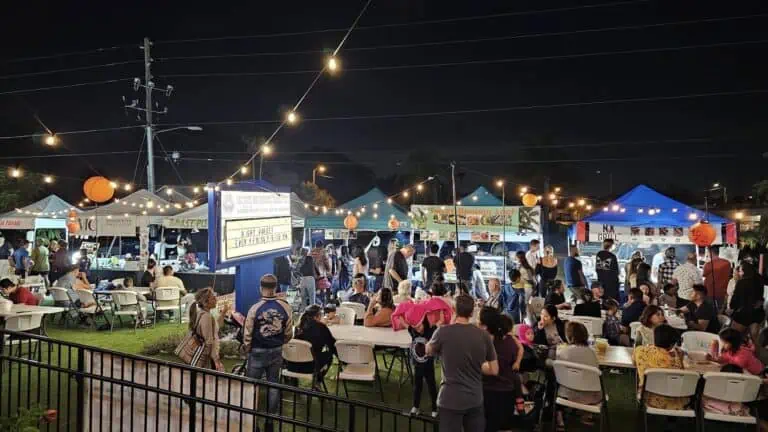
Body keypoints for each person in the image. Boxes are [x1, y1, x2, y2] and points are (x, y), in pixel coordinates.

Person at [427, 295, 498, 432]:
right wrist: (476, 365)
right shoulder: (483, 336)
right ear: (472, 312)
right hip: (474, 398)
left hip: (450, 398)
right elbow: (494, 370)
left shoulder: (442, 332)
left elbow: (428, 350)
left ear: (454, 310)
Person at [244, 274, 293, 432]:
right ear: (276, 287)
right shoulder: (285, 306)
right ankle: (270, 421)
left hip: (257, 351)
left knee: (251, 386)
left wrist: (247, 348)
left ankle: (252, 421)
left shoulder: (255, 308)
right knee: (273, 385)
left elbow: (247, 334)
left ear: (261, 288)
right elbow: (288, 332)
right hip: (276, 350)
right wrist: (280, 342)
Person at [481, 309, 525, 431]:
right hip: (507, 391)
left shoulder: (488, 342)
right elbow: (520, 350)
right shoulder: (512, 343)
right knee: (505, 425)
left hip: (489, 391)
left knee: (489, 425)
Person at [556, 321, 601, 429]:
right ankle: (587, 414)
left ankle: (559, 418)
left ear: (569, 336)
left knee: (555, 381)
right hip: (592, 397)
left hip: (566, 394)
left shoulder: (563, 352)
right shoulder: (592, 353)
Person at [634, 324, 688, 410]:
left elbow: (634, 359)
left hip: (647, 397)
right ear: (671, 345)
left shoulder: (640, 351)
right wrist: (680, 359)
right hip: (673, 400)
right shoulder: (674, 361)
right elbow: (681, 376)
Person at [290, 305, 336, 389]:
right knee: (329, 355)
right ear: (317, 316)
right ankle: (318, 380)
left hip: (293, 364)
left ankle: (294, 380)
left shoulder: (298, 327)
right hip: (311, 366)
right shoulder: (322, 327)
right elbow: (332, 346)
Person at [403, 314, 439, 417]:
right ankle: (415, 406)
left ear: (425, 323)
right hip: (417, 364)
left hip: (428, 365)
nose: (417, 329)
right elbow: (406, 324)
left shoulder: (431, 331)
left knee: (431, 386)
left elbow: (439, 323)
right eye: (415, 327)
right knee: (417, 386)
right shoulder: (413, 330)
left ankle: (434, 408)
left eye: (419, 326)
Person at [186, 287, 222, 371]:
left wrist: (223, 313)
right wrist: (216, 360)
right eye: (213, 297)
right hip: (206, 359)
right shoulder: (207, 317)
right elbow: (209, 341)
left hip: (202, 356)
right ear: (205, 302)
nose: (216, 299)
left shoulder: (201, 313)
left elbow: (214, 329)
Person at [729, 261, 764, 334]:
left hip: (744, 315)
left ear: (745, 271)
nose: (739, 273)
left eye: (740, 271)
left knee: (733, 337)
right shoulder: (759, 279)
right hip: (758, 314)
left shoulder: (742, 282)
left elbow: (734, 303)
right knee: (755, 342)